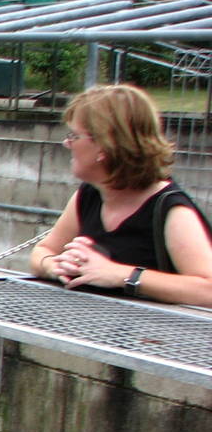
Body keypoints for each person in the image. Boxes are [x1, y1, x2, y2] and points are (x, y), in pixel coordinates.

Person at [29, 84, 212, 306]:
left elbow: (208, 289)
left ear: (105, 145)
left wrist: (121, 275)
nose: (67, 143)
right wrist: (55, 265)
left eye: (74, 135)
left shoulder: (171, 209)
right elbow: (43, 250)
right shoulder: (89, 194)